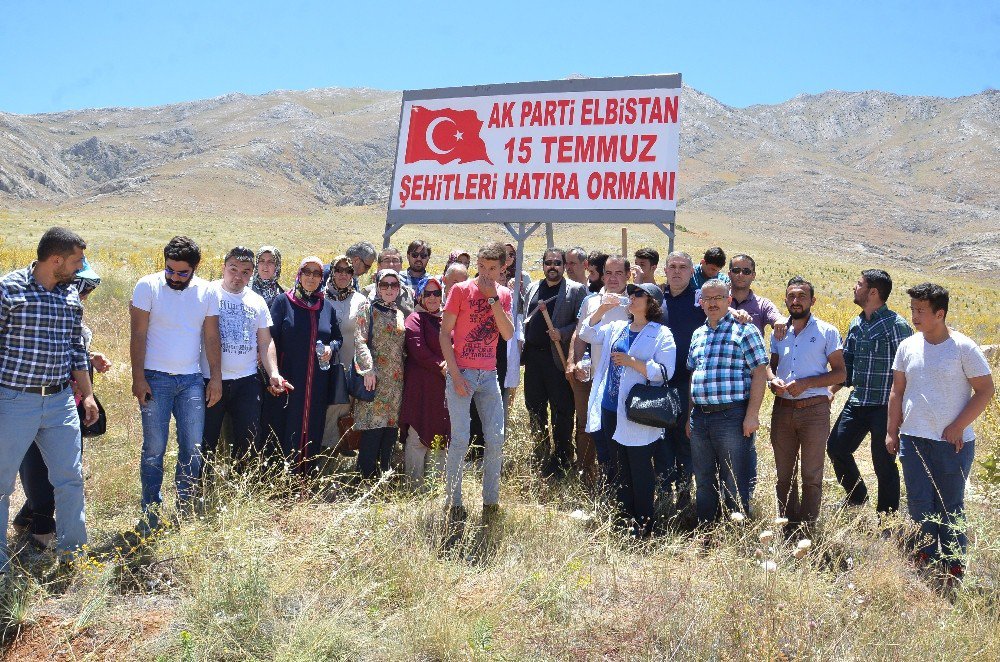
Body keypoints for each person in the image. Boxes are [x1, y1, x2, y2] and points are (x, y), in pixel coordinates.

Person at [1, 227, 98, 571]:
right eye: (76, 260)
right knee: (2, 483)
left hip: (59, 402)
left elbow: (75, 349)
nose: (80, 267)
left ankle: (73, 553)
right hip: (14, 401)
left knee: (70, 478)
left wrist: (87, 396)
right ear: (55, 260)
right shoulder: (9, 289)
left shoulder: (70, 295)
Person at [888, 283, 994, 581]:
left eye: (920, 311)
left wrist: (958, 426)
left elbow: (985, 390)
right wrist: (891, 431)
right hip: (913, 438)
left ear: (940, 313)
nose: (914, 317)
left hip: (953, 443)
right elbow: (897, 391)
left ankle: (954, 562)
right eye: (912, 310)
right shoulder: (907, 346)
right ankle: (924, 554)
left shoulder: (963, 347)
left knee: (951, 504)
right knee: (919, 502)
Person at [13, 259, 109, 550]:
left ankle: (28, 516)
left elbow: (72, 348)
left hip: (68, 403)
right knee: (38, 464)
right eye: (84, 289)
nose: (84, 296)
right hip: (35, 399)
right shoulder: (33, 309)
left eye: (88, 291)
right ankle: (42, 528)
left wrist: (90, 359)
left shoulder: (72, 315)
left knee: (64, 467)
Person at [130, 236, 221, 532]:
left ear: (195, 268)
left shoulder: (207, 291)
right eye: (170, 270)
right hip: (155, 379)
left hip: (191, 381)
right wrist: (138, 378)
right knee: (154, 448)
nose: (175, 277)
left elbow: (210, 338)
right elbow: (138, 335)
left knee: (192, 448)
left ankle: (184, 508)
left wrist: (215, 379)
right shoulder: (147, 286)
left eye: (183, 272)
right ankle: (150, 512)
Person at [579, 282, 676, 537]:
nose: (631, 299)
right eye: (630, 295)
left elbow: (665, 372)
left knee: (641, 470)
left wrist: (634, 362)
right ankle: (624, 521)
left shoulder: (661, 333)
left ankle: (643, 525)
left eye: (638, 296)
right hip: (611, 409)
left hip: (638, 413)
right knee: (618, 467)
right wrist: (602, 309)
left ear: (651, 303)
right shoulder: (617, 327)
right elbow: (587, 334)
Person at [826, 269, 912, 515]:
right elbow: (847, 366)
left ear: (873, 292)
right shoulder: (856, 323)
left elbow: (910, 369)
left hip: (885, 405)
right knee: (836, 448)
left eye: (859, 284)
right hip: (858, 401)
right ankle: (857, 496)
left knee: (883, 462)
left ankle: (886, 517)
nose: (854, 287)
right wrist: (831, 391)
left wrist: (903, 410)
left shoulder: (897, 326)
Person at [441, 242, 514, 524]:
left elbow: (507, 334)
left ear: (502, 268)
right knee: (460, 439)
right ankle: (454, 502)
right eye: (481, 267)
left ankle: (490, 503)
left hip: (489, 374)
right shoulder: (460, 290)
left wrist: (492, 298)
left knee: (495, 439)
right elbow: (444, 334)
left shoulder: (504, 293)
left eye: (492, 268)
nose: (485, 273)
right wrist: (456, 375)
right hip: (463, 372)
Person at [687, 279, 768, 523]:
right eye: (707, 299)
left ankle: (735, 531)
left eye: (718, 298)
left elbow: (760, 372)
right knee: (703, 478)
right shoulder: (698, 334)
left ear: (729, 300)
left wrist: (752, 415)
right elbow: (693, 373)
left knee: (734, 478)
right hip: (700, 417)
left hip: (731, 416)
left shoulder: (745, 330)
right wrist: (690, 416)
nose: (712, 303)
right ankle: (707, 527)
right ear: (701, 303)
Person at [766, 277, 846, 528]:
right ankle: (788, 526)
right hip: (783, 408)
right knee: (784, 475)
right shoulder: (779, 332)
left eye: (801, 296)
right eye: (791, 296)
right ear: (785, 299)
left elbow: (840, 373)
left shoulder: (827, 331)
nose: (796, 301)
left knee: (811, 474)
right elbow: (771, 366)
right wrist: (772, 381)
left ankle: (808, 528)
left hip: (814, 410)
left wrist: (808, 383)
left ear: (812, 300)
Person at [201, 247, 284, 471]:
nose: (238, 276)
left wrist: (274, 372)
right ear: (223, 268)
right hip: (209, 379)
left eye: (246, 272)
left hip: (247, 381)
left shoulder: (257, 301)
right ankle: (201, 488)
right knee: (206, 440)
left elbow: (265, 341)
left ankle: (240, 488)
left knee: (248, 441)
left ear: (252, 273)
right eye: (233, 269)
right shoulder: (207, 293)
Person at [261, 257, 342, 474]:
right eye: (307, 271)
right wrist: (271, 374)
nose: (312, 277)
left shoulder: (326, 307)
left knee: (313, 427)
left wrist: (330, 348)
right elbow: (269, 340)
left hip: (317, 383)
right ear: (299, 273)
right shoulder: (282, 302)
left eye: (317, 273)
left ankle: (306, 478)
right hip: (287, 381)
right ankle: (280, 480)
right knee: (284, 427)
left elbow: (337, 338)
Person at [523, 248, 587, 477]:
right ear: (543, 265)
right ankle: (540, 454)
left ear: (564, 266)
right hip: (533, 359)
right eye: (548, 262)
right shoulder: (532, 288)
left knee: (562, 409)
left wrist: (563, 332)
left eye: (557, 263)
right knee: (535, 407)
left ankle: (561, 458)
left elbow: (582, 324)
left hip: (558, 360)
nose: (553, 266)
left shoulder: (576, 290)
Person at [568, 255, 630, 486]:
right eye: (609, 273)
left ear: (627, 275)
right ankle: (586, 475)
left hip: (623, 379)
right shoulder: (590, 302)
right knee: (586, 426)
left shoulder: (633, 302)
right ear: (602, 275)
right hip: (592, 373)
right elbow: (581, 335)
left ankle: (616, 479)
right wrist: (575, 362)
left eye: (619, 273)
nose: (613, 278)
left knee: (616, 427)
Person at [352, 269, 407, 478]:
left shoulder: (399, 313)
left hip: (395, 382)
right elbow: (360, 340)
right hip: (374, 379)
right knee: (373, 429)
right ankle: (365, 477)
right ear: (377, 286)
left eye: (394, 285)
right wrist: (368, 369)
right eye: (385, 284)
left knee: (390, 429)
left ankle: (384, 477)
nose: (389, 289)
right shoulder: (368, 308)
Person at [400, 278, 450, 489]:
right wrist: (442, 365)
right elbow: (418, 349)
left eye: (436, 294)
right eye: (427, 294)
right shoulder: (415, 319)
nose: (432, 298)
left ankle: (435, 487)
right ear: (420, 296)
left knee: (440, 432)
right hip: (421, 386)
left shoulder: (446, 319)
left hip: (443, 388)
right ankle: (414, 486)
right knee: (417, 433)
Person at [321, 255, 368, 452]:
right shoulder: (320, 297)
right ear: (331, 272)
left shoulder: (360, 301)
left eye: (347, 271)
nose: (342, 274)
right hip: (322, 368)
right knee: (322, 415)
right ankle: (317, 461)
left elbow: (364, 338)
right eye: (338, 270)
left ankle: (335, 468)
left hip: (348, 370)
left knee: (342, 416)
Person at [728, 254, 781, 336]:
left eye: (746, 271)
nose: (741, 274)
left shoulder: (763, 305)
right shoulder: (718, 300)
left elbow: (778, 318)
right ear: (729, 274)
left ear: (753, 276)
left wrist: (780, 321)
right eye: (736, 270)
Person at [362, 247, 415, 315]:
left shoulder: (408, 293)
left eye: (395, 260)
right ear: (379, 265)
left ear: (401, 265)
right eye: (386, 260)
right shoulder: (367, 292)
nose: (391, 265)